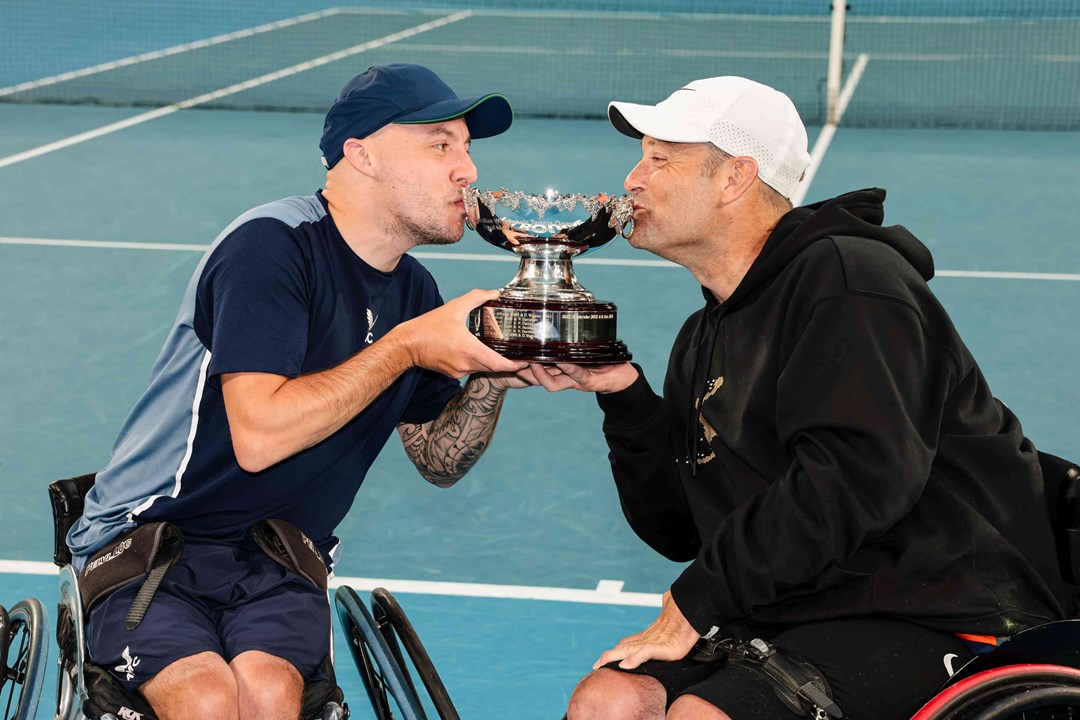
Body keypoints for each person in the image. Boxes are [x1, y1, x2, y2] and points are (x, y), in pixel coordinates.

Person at [531, 76, 1068, 720]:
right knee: (608, 702)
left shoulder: (850, 281)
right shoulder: (704, 333)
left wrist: (698, 600)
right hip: (803, 606)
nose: (633, 180)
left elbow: (858, 476)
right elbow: (678, 529)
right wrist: (624, 397)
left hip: (937, 607)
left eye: (659, 158)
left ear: (735, 178)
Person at [67, 64, 532, 720]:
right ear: (361, 154)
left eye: (466, 148)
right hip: (154, 544)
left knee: (269, 695)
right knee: (203, 698)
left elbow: (439, 457)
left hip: (277, 556)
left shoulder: (413, 293)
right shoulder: (272, 247)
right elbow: (258, 438)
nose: (467, 170)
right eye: (440, 145)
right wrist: (403, 347)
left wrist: (493, 373)